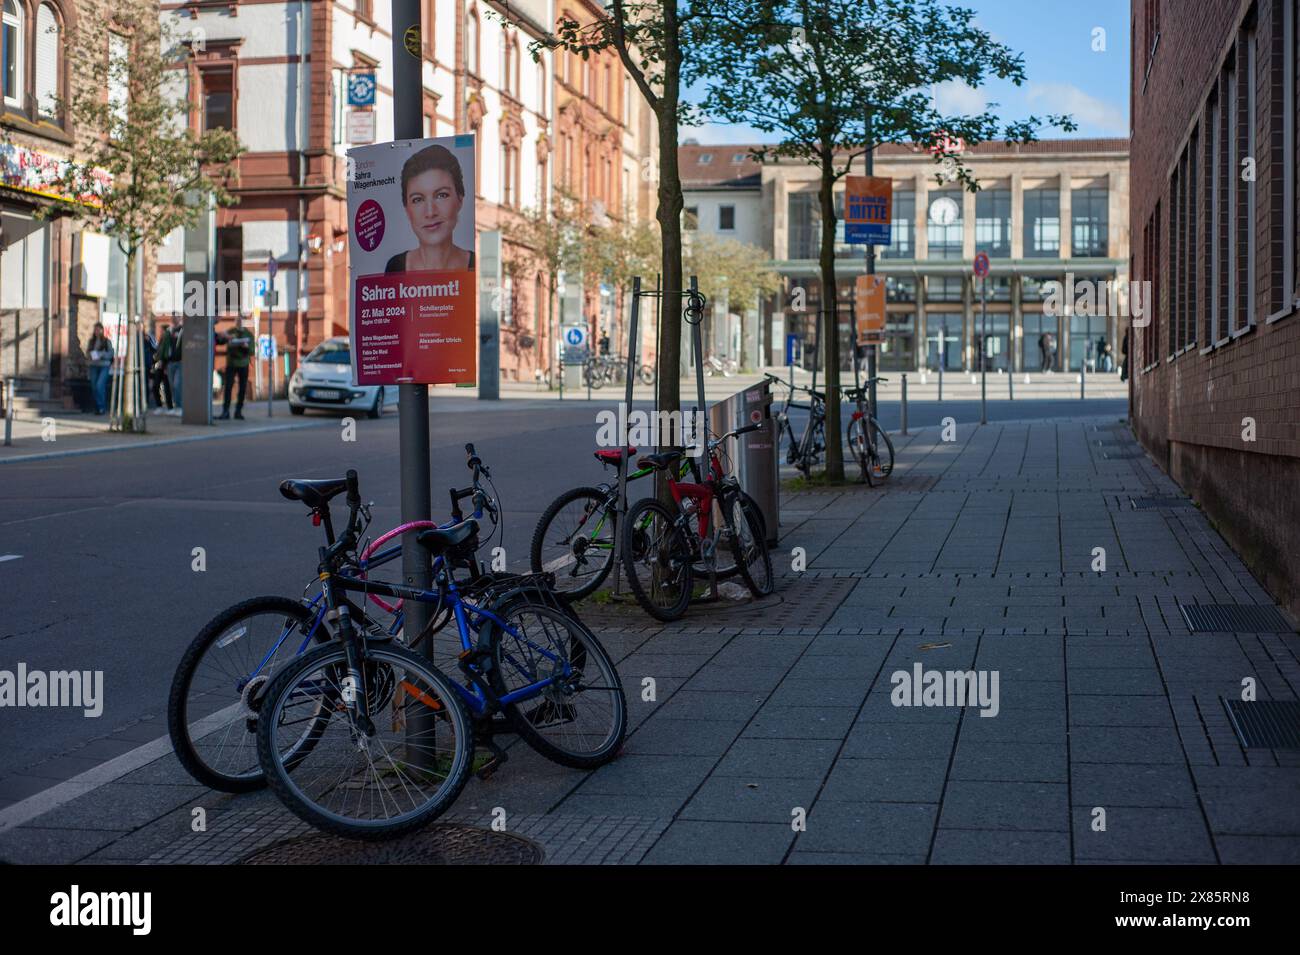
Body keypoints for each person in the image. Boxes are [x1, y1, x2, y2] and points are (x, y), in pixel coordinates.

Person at [384, 144, 475, 273]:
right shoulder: (395, 267)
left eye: (441, 195)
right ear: (406, 209)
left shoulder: (476, 266)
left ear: (460, 198)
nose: (430, 212)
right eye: (418, 199)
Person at [215, 317, 254, 420]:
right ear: (235, 321)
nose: (239, 322)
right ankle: (225, 411)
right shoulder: (231, 331)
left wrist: (246, 347)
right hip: (231, 363)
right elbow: (220, 340)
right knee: (228, 387)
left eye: (241, 320)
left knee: (242, 388)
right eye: (237, 320)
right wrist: (225, 336)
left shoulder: (248, 334)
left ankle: (238, 411)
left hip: (243, 364)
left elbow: (252, 350)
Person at [86, 322, 114, 415]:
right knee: (94, 387)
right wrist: (90, 355)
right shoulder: (91, 341)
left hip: (104, 366)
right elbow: (88, 352)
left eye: (98, 330)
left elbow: (110, 354)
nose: (97, 332)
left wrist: (102, 355)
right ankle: (98, 407)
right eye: (95, 330)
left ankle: (102, 407)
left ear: (102, 330)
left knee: (99, 385)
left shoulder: (106, 341)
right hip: (94, 365)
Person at [151, 324, 175, 413]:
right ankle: (160, 406)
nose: (160, 332)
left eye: (161, 330)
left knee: (166, 387)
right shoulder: (161, 340)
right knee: (156, 386)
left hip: (164, 365)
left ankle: (170, 407)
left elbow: (167, 353)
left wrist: (164, 363)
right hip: (159, 365)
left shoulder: (167, 338)